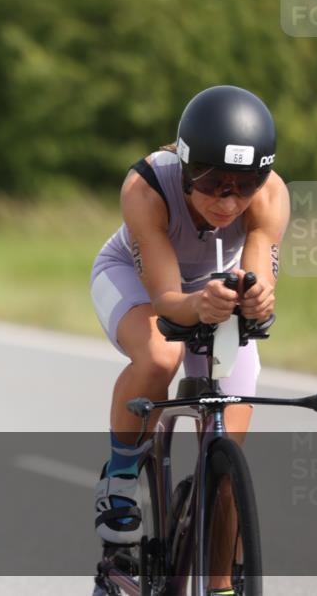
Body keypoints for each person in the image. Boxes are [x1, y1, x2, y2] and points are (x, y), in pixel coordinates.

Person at [89, 86, 288, 594]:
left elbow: (258, 281)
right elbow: (167, 300)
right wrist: (198, 304)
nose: (229, 201)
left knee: (226, 459)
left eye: (244, 186)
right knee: (160, 355)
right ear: (185, 166)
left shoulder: (271, 196)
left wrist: (258, 299)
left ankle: (219, 586)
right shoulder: (146, 187)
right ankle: (121, 475)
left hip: (214, 289)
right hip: (139, 281)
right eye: (214, 183)